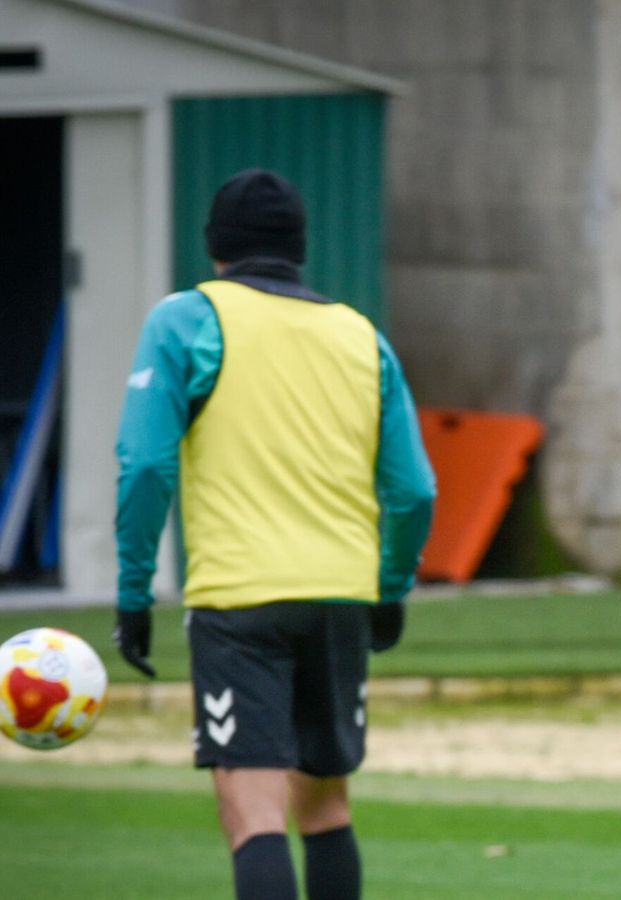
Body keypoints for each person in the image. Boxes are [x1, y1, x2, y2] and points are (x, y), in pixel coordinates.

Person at [112, 169, 437, 900]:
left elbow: (144, 466)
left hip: (240, 602)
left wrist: (133, 592)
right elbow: (414, 489)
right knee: (324, 806)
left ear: (215, 247)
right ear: (299, 247)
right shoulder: (360, 335)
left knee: (252, 812)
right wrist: (388, 589)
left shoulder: (185, 320)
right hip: (342, 596)